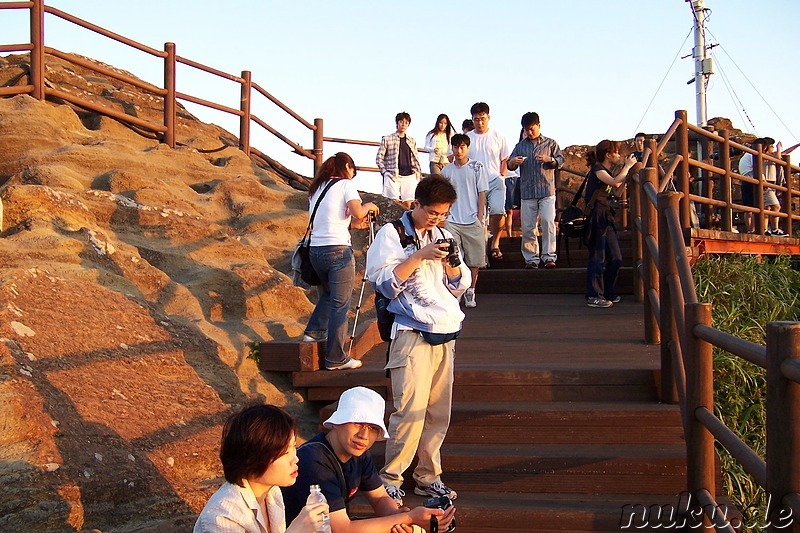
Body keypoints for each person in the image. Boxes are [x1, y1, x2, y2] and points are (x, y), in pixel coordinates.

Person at [365, 175, 470, 506]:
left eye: (443, 214)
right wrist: (419, 255)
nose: (438, 220)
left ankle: (428, 476)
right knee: (409, 411)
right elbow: (383, 284)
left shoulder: (443, 235)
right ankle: (391, 478)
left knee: (439, 412)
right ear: (417, 205)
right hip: (411, 333)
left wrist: (453, 265)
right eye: (433, 213)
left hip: (445, 332)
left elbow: (458, 287)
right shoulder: (391, 234)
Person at [281, 387, 455, 533]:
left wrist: (399, 520)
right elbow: (343, 529)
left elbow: (379, 498)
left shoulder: (358, 454)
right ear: (338, 422)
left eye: (372, 428)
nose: (364, 435)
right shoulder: (314, 461)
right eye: (357, 423)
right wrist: (408, 517)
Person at [194, 404, 329, 533]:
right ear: (254, 457)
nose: (295, 458)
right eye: (285, 453)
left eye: (294, 446)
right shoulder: (223, 517)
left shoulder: (272, 493)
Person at [302, 152, 379, 370]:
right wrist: (370, 206)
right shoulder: (345, 185)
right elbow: (357, 211)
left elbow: (325, 221)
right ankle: (336, 358)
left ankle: (314, 331)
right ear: (347, 166)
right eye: (353, 171)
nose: (352, 176)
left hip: (316, 252)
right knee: (340, 304)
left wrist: (352, 226)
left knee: (328, 295)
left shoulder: (317, 189)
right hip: (338, 251)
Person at [583, 140, 637, 308]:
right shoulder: (598, 169)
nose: (618, 155)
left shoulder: (606, 170)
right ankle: (594, 295)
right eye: (616, 152)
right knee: (598, 257)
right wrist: (627, 167)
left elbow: (617, 190)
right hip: (596, 215)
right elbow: (613, 182)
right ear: (607, 155)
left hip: (606, 215)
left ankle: (607, 291)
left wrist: (626, 175)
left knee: (616, 257)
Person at [507, 112, 564, 269]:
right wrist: (513, 162)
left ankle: (549, 256)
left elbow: (561, 160)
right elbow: (509, 165)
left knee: (547, 222)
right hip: (527, 192)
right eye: (526, 129)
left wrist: (549, 160)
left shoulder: (550, 143)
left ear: (539, 125)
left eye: (532, 128)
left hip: (546, 191)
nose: (529, 132)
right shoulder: (520, 146)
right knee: (528, 227)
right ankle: (531, 259)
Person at [441, 133, 489, 308]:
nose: (459, 150)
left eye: (462, 147)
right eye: (456, 147)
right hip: (453, 219)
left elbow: (482, 192)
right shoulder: (447, 170)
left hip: (472, 219)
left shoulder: (477, 167)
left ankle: (471, 291)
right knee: (454, 256)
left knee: (475, 259)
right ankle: (458, 290)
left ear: (467, 148)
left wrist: (480, 217)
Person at [467, 102, 510, 261]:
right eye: (476, 119)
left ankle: (495, 242)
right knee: (479, 219)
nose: (480, 122)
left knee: (498, 211)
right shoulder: (468, 138)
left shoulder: (498, 135)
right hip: (475, 183)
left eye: (482, 118)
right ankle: (483, 253)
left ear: (488, 118)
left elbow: (504, 158)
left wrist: (502, 175)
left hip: (495, 180)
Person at [376, 112, 422, 209]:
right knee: (393, 203)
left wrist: (417, 172)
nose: (403, 124)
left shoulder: (411, 140)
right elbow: (379, 158)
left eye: (406, 122)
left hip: (409, 175)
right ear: (397, 123)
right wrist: (384, 172)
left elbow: (415, 158)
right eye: (401, 121)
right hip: (393, 175)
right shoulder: (388, 139)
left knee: (409, 203)